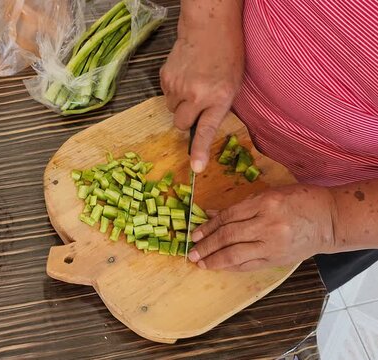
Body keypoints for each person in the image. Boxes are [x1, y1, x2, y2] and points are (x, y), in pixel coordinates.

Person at [160, 0, 378, 292]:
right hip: (204, 71)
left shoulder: (331, 220)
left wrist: (331, 221)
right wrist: (206, 22)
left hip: (333, 210)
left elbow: (333, 222)